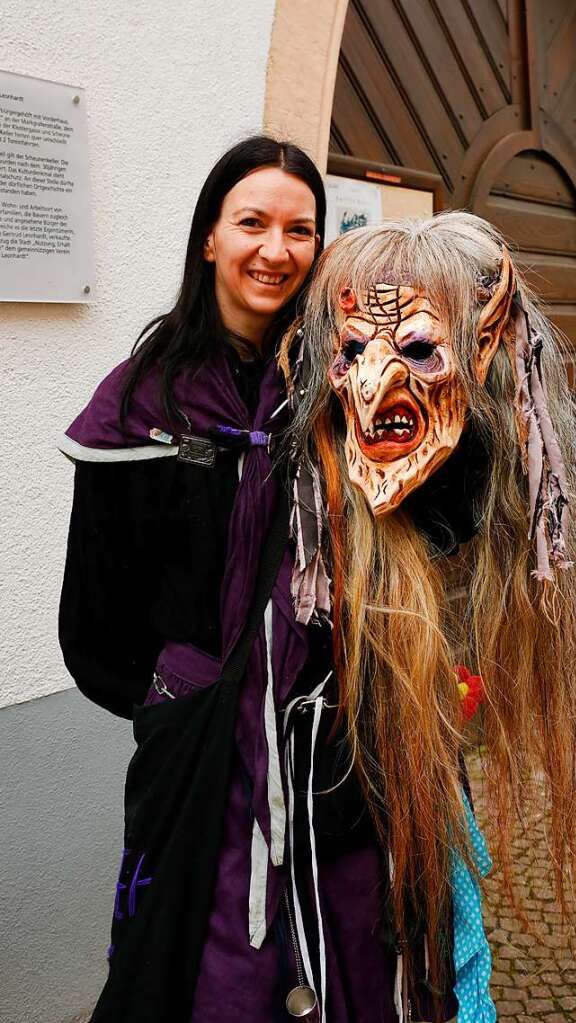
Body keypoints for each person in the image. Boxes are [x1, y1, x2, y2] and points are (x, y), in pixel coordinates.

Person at [60, 136, 443, 1023]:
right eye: (252, 223)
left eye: (300, 229)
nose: (276, 249)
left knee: (350, 953)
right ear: (209, 238)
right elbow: (93, 621)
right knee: (217, 976)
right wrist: (178, 695)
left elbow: (420, 534)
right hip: (205, 763)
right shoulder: (140, 402)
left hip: (339, 752)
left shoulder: (341, 384)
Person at [281, 210, 576, 1023]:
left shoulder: (491, 493)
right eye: (352, 352)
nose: (371, 384)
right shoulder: (289, 509)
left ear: (490, 351)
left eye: (418, 351)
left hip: (413, 802)